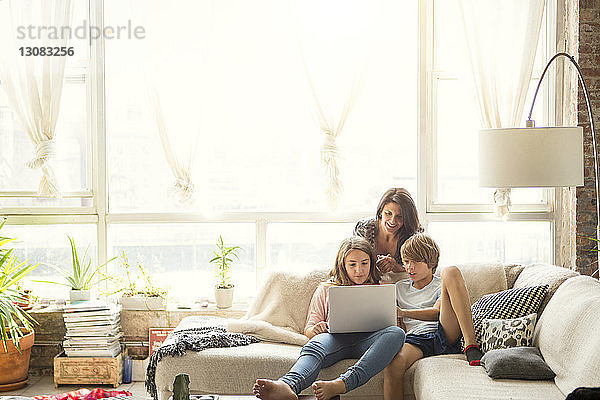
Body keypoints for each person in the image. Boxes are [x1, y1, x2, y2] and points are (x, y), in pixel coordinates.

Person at [253, 236, 406, 400]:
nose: (359, 270)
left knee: (397, 333)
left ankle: (342, 383)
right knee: (315, 345)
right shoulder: (326, 289)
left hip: (369, 341)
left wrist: (395, 317)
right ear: (343, 265)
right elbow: (309, 330)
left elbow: (395, 328)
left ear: (371, 262)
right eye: (352, 264)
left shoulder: (382, 289)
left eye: (364, 263)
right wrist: (317, 329)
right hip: (335, 339)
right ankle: (287, 385)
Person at [382, 233, 484, 400]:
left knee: (451, 271)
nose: (410, 267)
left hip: (443, 332)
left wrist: (404, 312)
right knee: (393, 366)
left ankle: (471, 346)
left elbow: (437, 313)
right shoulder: (399, 287)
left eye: (416, 262)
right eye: (406, 262)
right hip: (415, 339)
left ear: (431, 263)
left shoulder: (440, 284)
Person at [354, 188, 423, 275]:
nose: (393, 221)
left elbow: (420, 269)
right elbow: (355, 262)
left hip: (401, 281)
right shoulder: (363, 229)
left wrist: (395, 267)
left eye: (399, 216)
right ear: (381, 212)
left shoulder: (415, 233)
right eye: (388, 213)